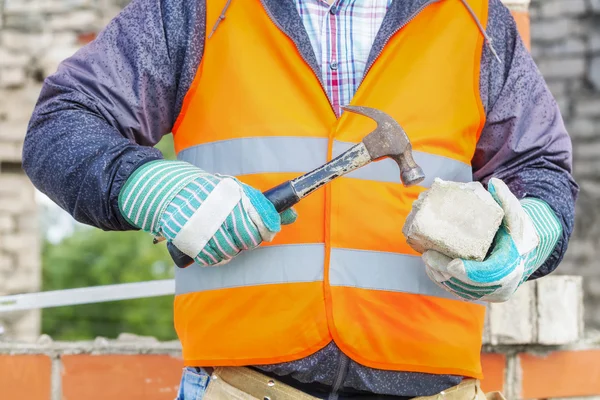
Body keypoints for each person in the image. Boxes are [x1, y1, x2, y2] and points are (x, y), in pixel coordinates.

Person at [22, 0, 578, 399]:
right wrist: (149, 187)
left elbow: (541, 172)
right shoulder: (195, 11)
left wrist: (528, 237)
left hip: (436, 386)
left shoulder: (475, 20)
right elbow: (63, 123)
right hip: (237, 387)